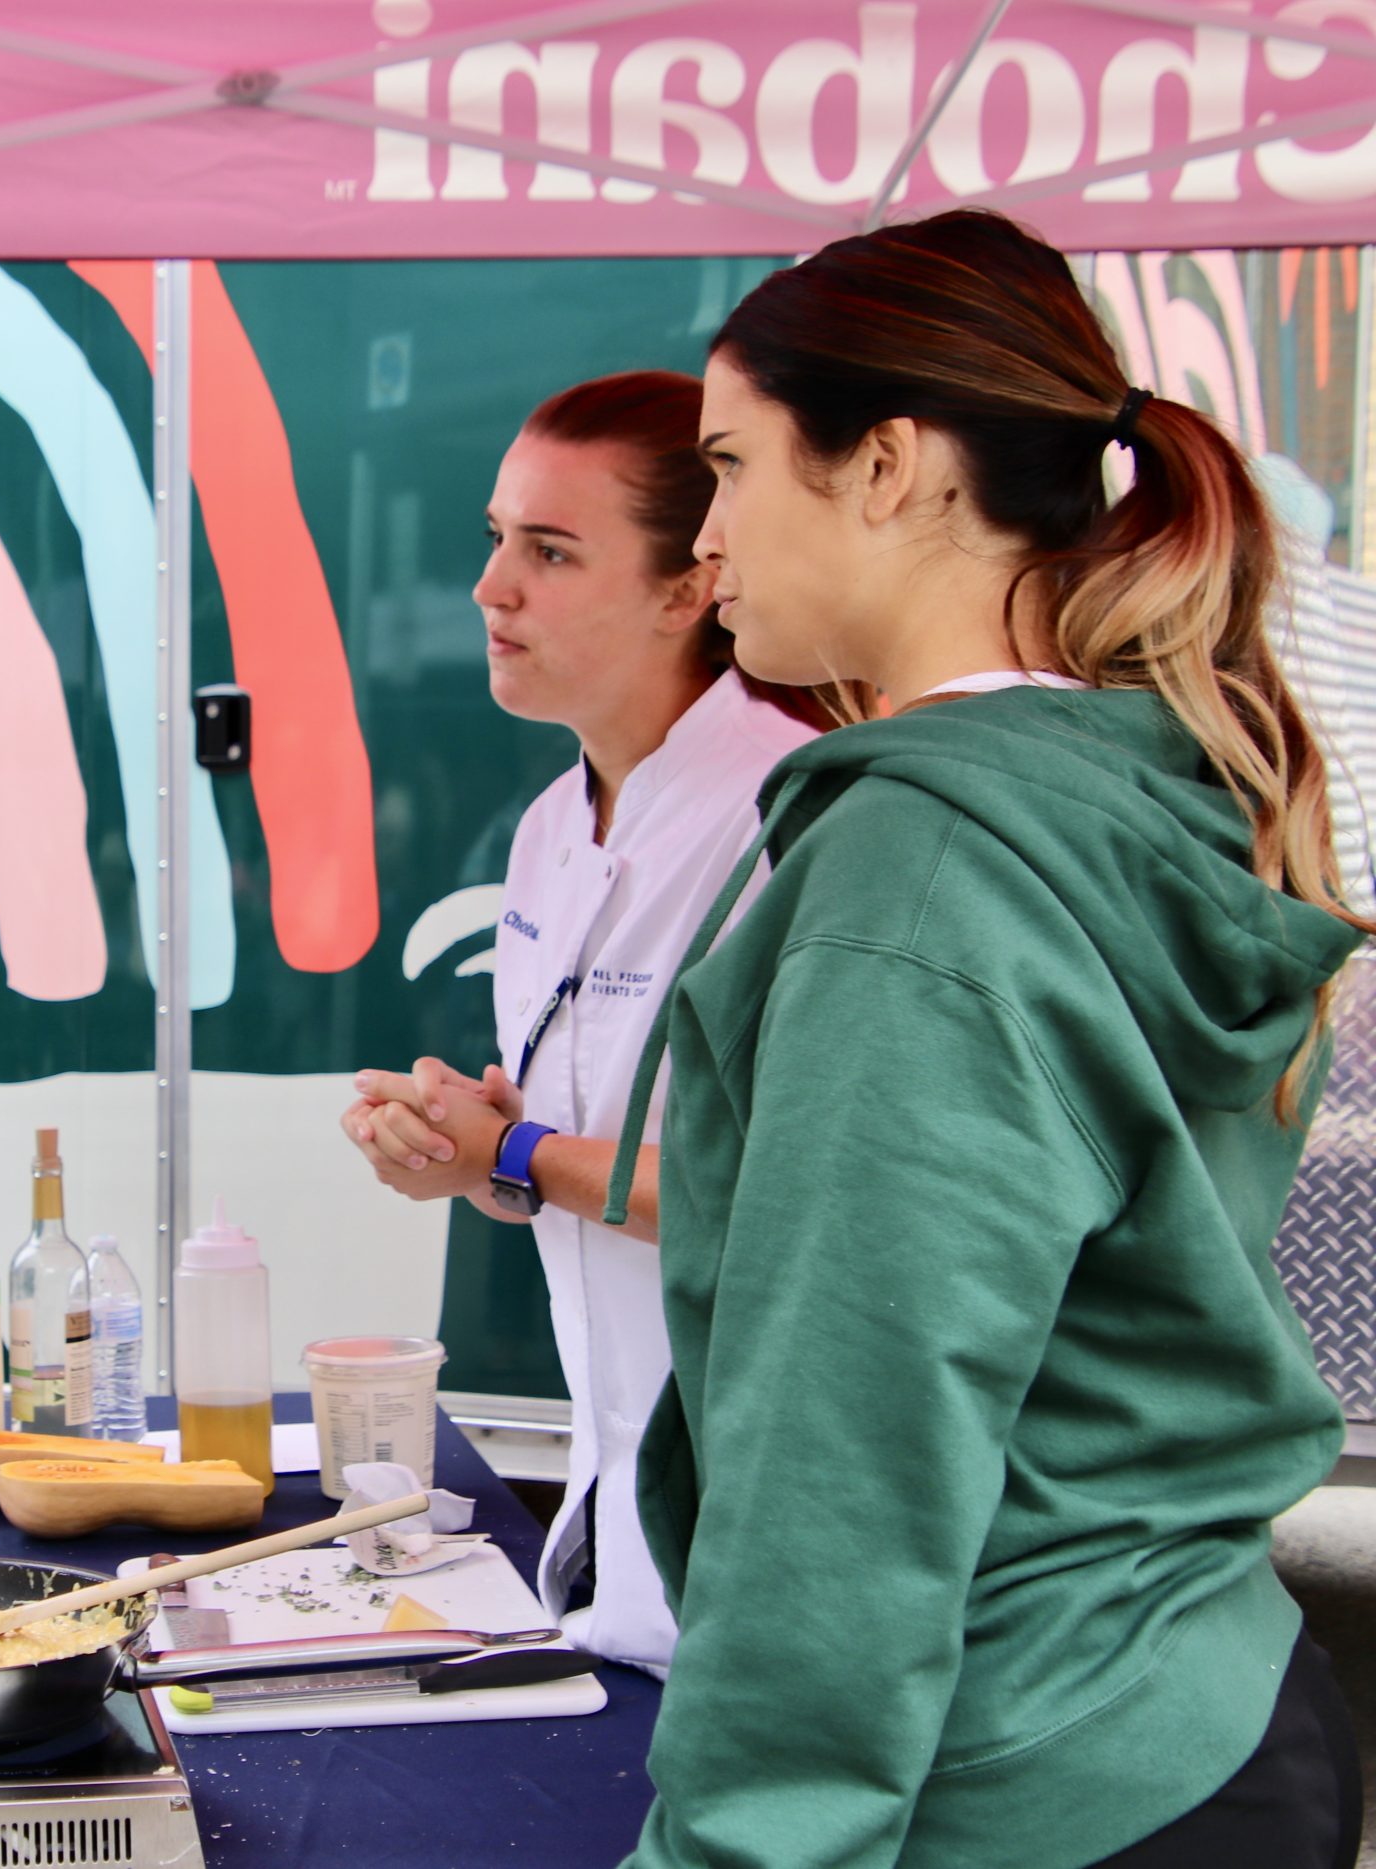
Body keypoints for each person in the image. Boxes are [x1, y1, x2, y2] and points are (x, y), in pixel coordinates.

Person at [612, 208, 1365, 1867]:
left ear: (887, 466)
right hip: (1208, 1705)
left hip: (1038, 1767)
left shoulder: (926, 865)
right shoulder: (1135, 785)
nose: (709, 534)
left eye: (730, 464)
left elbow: (852, 1452)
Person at [337, 372, 822, 1676]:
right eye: (496, 539)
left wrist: (516, 1154)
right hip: (618, 1536)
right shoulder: (553, 829)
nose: (492, 588)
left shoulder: (796, 815)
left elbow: (790, 1197)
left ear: (690, 585)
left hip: (787, 1542)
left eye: (549, 552)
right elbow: (581, 1169)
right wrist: (472, 1159)